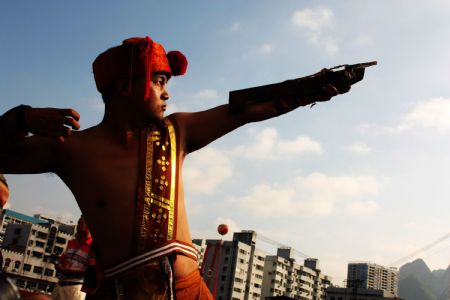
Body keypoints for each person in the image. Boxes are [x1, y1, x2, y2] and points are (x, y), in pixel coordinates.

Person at [0, 36, 353, 299]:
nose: (167, 93)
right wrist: (21, 117)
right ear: (125, 86)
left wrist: (310, 90)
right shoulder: (69, 149)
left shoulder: (176, 131)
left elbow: (244, 110)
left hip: (191, 289)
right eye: (159, 81)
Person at [52, 216, 93, 300]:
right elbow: (61, 260)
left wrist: (68, 271)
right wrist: (58, 264)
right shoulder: (71, 242)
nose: (78, 225)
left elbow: (90, 271)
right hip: (60, 285)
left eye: (81, 223)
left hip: (76, 288)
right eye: (78, 223)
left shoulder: (92, 246)